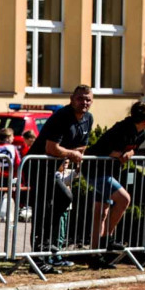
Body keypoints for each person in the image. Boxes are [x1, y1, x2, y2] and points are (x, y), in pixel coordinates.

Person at [23, 85, 94, 274]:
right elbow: (51, 148)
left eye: (88, 99)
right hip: (37, 167)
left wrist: (77, 159)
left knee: (63, 199)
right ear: (72, 99)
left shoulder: (88, 118)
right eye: (80, 98)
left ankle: (49, 248)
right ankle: (38, 258)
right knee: (44, 209)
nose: (84, 102)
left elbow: (81, 146)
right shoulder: (62, 116)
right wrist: (70, 154)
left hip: (52, 169)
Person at [83, 100, 145, 267]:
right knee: (124, 199)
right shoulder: (122, 128)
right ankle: (107, 239)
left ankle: (95, 256)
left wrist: (129, 152)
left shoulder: (141, 134)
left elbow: (132, 149)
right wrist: (121, 154)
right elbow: (105, 149)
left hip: (110, 172)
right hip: (95, 169)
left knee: (102, 213)